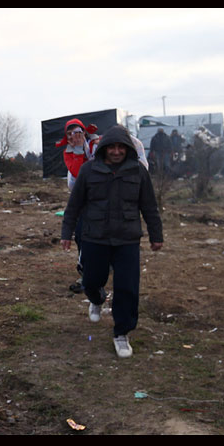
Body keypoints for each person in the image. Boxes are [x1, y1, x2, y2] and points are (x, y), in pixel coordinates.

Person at [60, 125, 163, 358]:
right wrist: (66, 233)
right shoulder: (88, 171)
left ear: (128, 148)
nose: (116, 152)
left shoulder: (138, 172)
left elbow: (149, 207)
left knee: (127, 288)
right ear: (104, 148)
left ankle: (121, 333)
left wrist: (156, 236)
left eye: (121, 147)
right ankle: (96, 299)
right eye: (112, 147)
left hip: (127, 238)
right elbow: (74, 205)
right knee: (91, 280)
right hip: (94, 237)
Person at [55, 118, 98, 293]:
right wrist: (79, 151)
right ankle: (85, 272)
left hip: (103, 198)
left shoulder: (97, 144)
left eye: (78, 132)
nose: (75, 137)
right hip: (83, 200)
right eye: (70, 134)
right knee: (81, 235)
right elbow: (79, 175)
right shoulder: (70, 152)